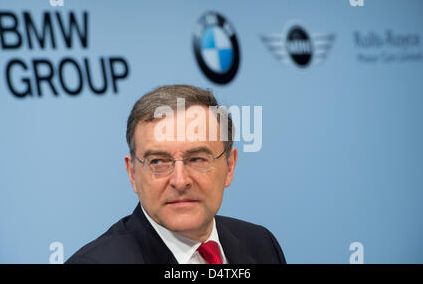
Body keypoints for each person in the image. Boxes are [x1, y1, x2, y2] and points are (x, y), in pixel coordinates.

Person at [66, 85, 286, 264]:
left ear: (229, 166)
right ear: (133, 173)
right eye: (158, 162)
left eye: (198, 159)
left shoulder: (261, 245)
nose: (180, 181)